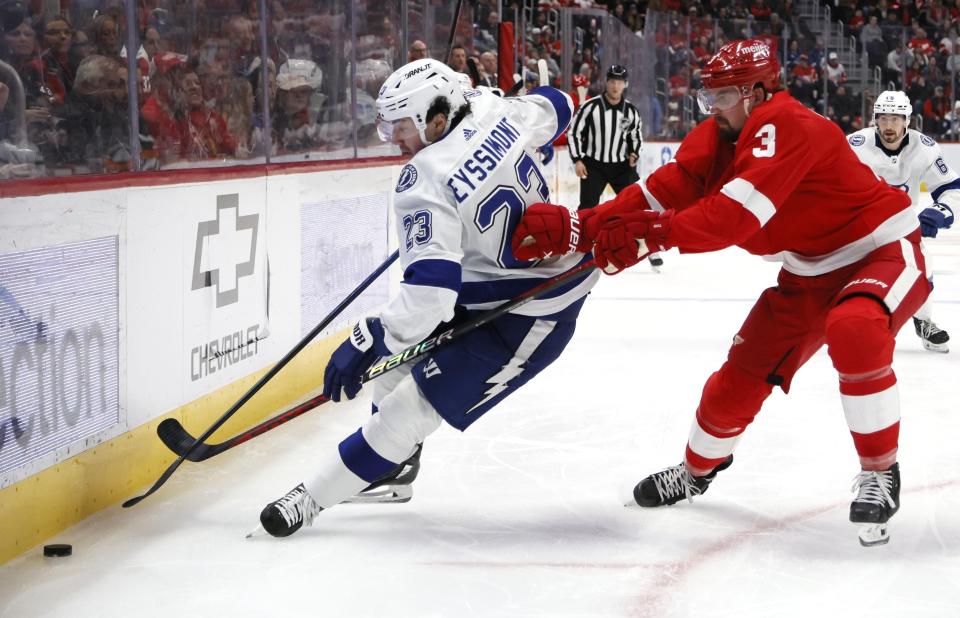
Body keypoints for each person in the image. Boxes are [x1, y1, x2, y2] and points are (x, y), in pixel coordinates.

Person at [512, 40, 929, 547]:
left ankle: (880, 471)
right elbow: (666, 185)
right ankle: (695, 471)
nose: (712, 109)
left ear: (757, 92)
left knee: (855, 328)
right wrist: (588, 224)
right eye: (706, 98)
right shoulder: (724, 132)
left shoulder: (789, 125)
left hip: (878, 251)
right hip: (806, 273)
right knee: (739, 378)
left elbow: (734, 218)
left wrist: (652, 236)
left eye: (722, 96)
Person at [254, 59, 596, 538]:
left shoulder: (424, 178)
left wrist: (370, 337)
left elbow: (432, 297)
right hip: (508, 280)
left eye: (401, 126)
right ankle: (390, 472)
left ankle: (310, 499)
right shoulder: (494, 108)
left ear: (436, 118)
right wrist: (494, 105)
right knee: (395, 367)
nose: (394, 137)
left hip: (531, 312)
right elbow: (560, 105)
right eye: (387, 125)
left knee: (412, 405)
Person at [847, 90, 955, 352]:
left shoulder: (925, 148)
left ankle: (923, 321)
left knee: (923, 265)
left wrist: (938, 212)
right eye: (883, 119)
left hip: (903, 225)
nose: (889, 126)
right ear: (875, 119)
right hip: (859, 224)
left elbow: (952, 188)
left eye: (895, 119)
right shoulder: (854, 144)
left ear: (907, 120)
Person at [567, 65, 660, 267]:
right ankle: (578, 251)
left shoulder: (631, 111)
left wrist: (634, 152)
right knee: (587, 209)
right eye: (612, 81)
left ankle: (650, 247)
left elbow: (635, 135)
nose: (615, 85)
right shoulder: (590, 107)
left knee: (638, 205)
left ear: (625, 84)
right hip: (595, 166)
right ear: (606, 82)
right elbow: (574, 132)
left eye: (619, 81)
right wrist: (577, 159)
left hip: (621, 167)